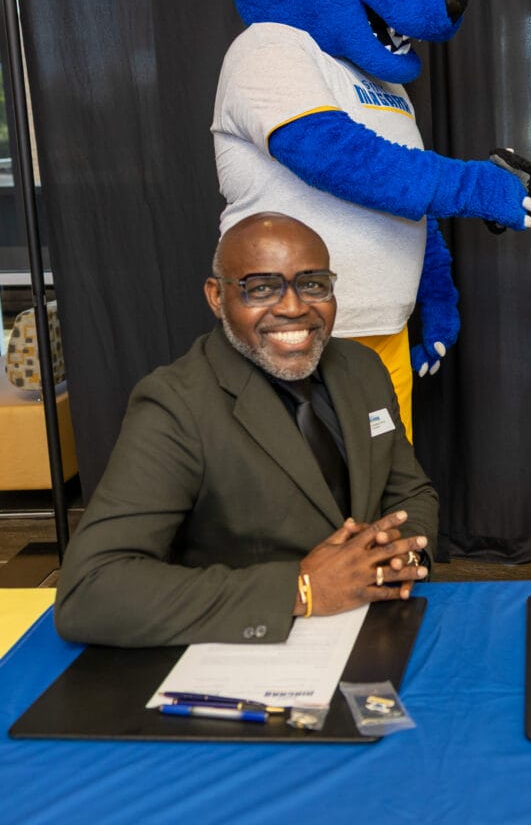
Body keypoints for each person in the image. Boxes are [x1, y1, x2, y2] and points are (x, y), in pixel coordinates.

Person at [55, 213, 438, 647]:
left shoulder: (363, 369)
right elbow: (90, 589)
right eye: (261, 288)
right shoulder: (175, 403)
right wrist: (300, 589)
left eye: (312, 284)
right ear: (216, 297)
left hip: (374, 628)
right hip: (249, 647)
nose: (293, 307)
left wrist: (393, 557)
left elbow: (410, 494)